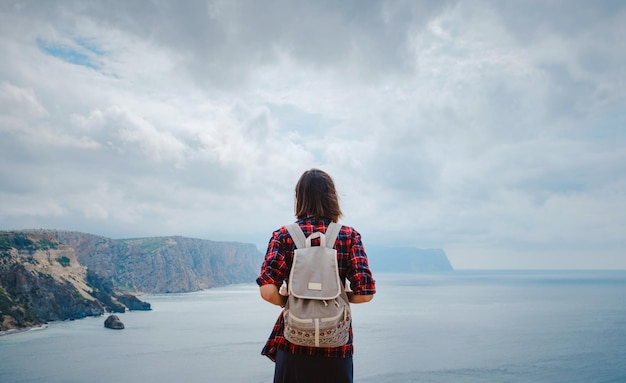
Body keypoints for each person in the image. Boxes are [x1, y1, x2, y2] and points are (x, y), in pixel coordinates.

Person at [257, 168, 376, 383]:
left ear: (299, 198)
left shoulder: (283, 236)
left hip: (293, 344)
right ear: (332, 198)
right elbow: (365, 294)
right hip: (336, 347)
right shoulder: (349, 236)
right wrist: (337, 293)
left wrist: (288, 298)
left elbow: (267, 291)